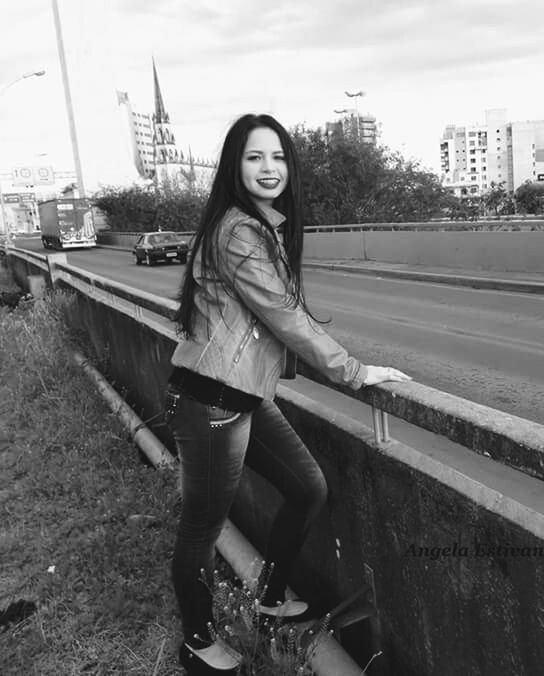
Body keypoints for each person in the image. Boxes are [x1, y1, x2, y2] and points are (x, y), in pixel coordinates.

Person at [166, 113, 411, 675]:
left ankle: (269, 596)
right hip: (210, 404)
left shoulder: (260, 226)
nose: (269, 168)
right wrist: (354, 371)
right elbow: (284, 317)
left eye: (277, 157)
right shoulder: (239, 231)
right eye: (255, 157)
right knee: (201, 531)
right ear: (235, 165)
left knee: (307, 486)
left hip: (242, 399)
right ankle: (199, 644)